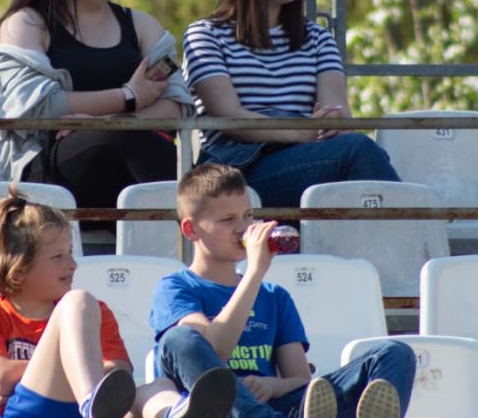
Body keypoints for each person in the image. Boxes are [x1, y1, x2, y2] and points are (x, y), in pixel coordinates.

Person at [0, 0, 194, 217]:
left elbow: (177, 105)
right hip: (52, 177)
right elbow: (37, 108)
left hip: (128, 169)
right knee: (122, 138)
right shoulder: (26, 24)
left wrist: (112, 120)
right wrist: (128, 97)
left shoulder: (141, 25)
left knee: (127, 137)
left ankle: (198, 219)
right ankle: (200, 220)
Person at [149, 163, 414, 418]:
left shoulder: (274, 296)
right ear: (191, 229)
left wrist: (272, 386)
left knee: (394, 353)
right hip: (216, 411)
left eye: (248, 216)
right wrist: (255, 272)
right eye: (228, 220)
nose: (243, 228)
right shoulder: (175, 288)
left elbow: (301, 381)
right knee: (180, 339)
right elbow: (215, 351)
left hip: (277, 405)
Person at [181, 0, 400, 207]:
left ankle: (411, 223)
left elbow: (338, 115)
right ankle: (420, 223)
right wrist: (301, 131)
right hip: (237, 174)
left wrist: (332, 122)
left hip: (309, 161)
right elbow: (230, 118)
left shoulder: (318, 38)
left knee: (358, 152)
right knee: (359, 152)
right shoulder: (205, 35)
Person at [0, 185, 235, 418]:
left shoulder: (93, 313)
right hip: (26, 411)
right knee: (77, 301)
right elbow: (0, 377)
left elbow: (120, 375)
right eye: (58, 257)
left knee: (157, 387)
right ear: (19, 270)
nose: (72, 264)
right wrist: (76, 371)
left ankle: (171, 414)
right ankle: (90, 401)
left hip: (78, 409)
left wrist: (83, 373)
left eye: (71, 253)